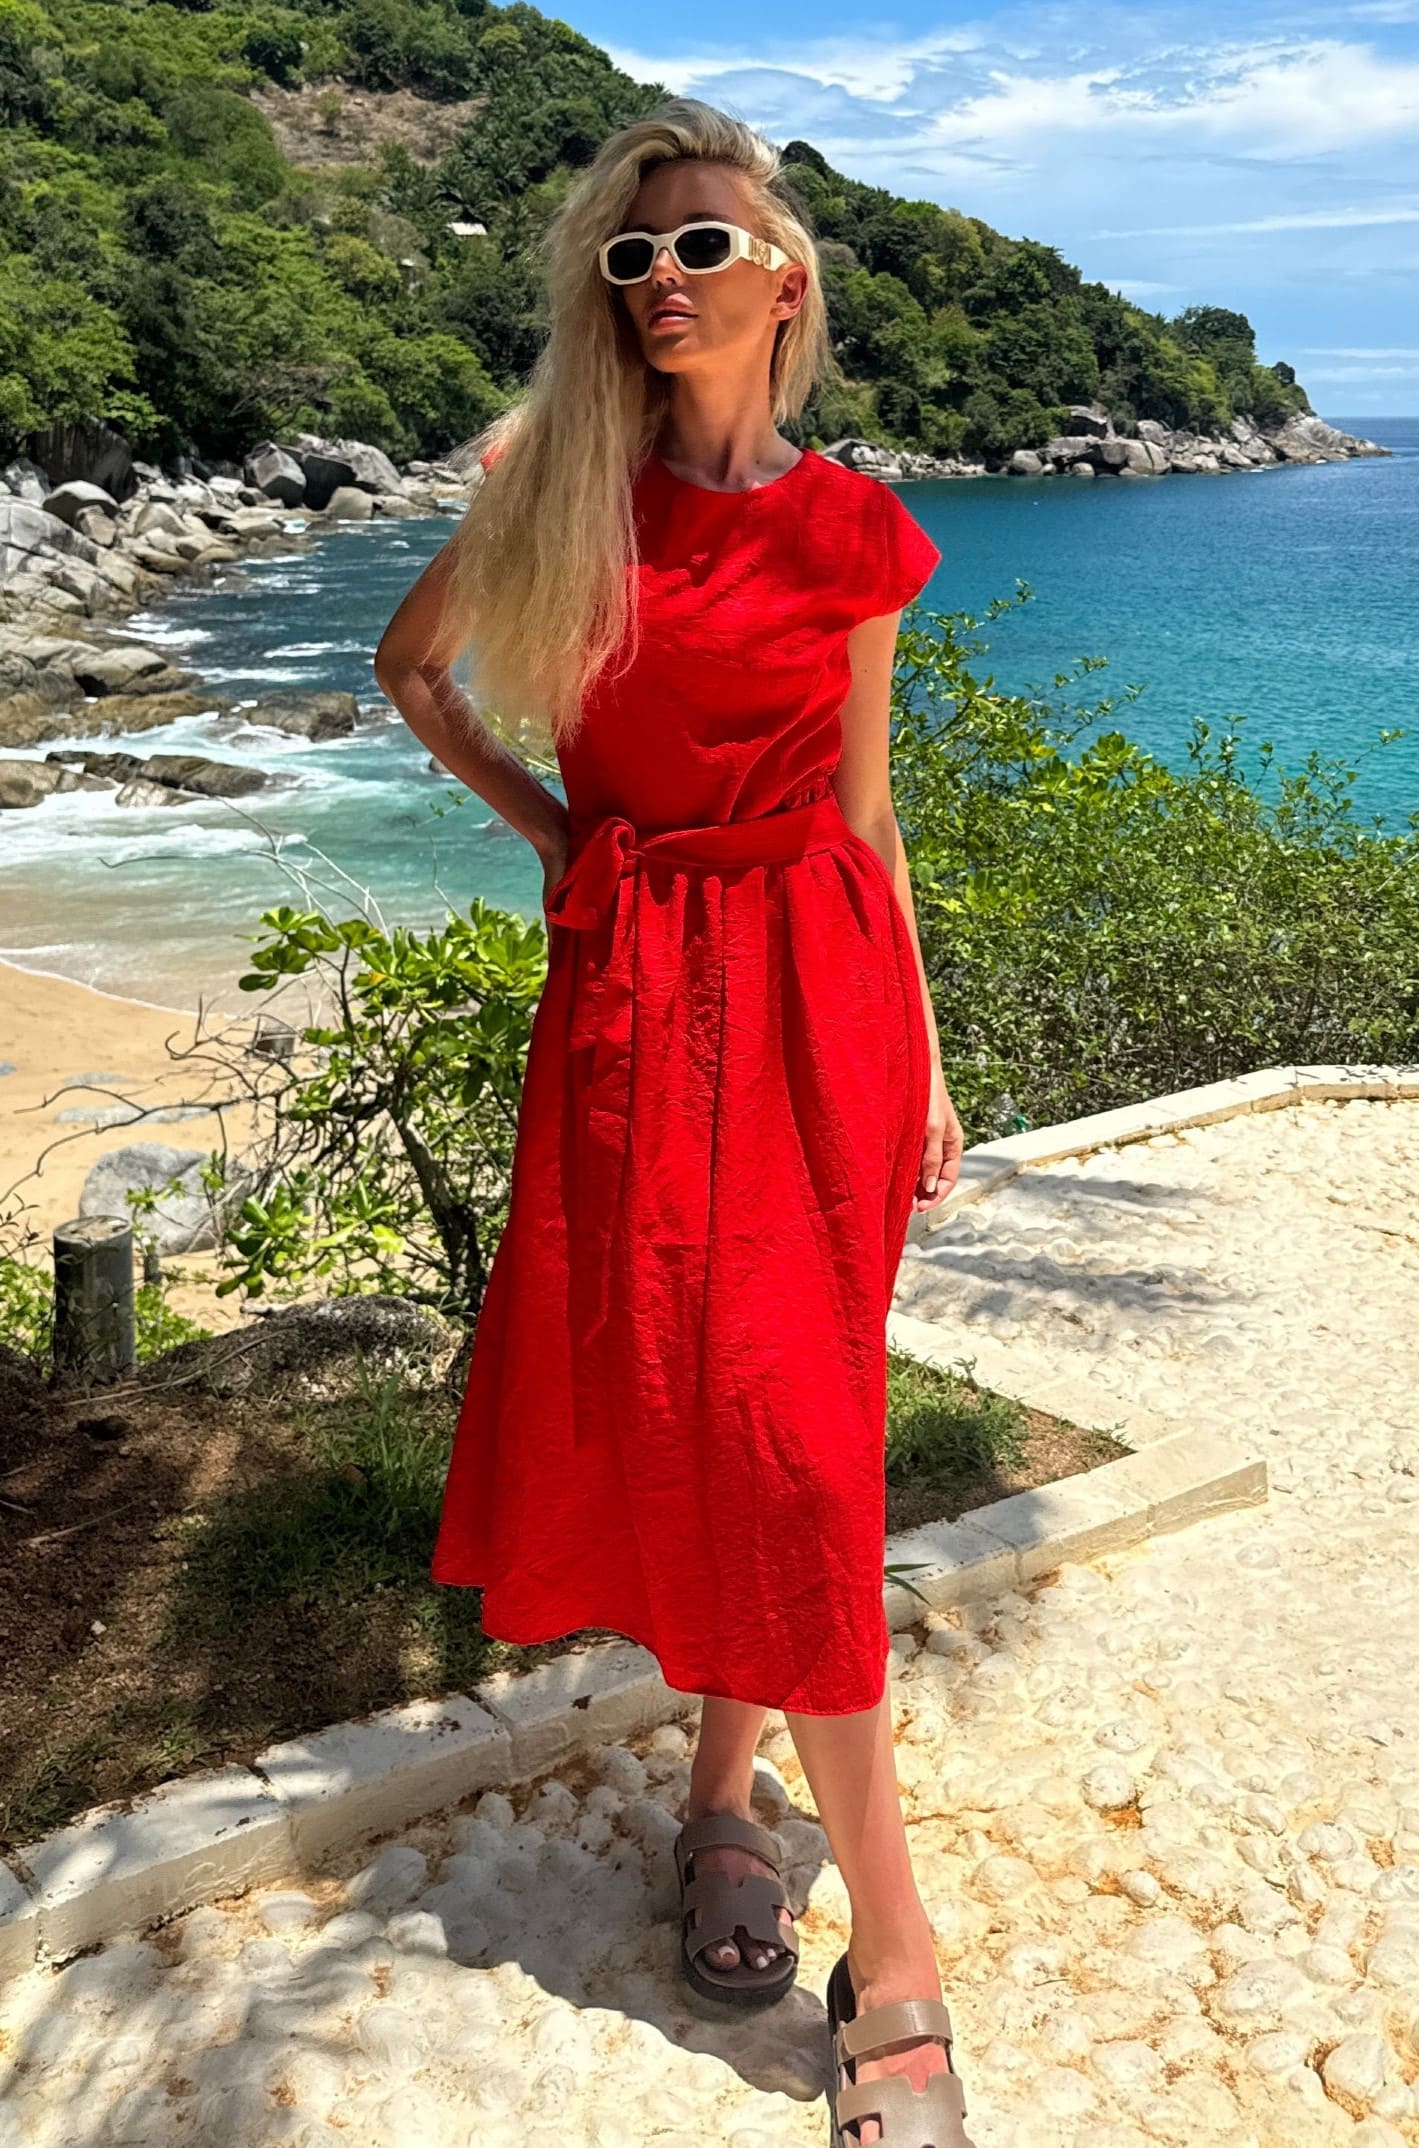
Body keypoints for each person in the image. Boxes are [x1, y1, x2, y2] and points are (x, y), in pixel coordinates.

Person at [374, 94, 971, 2148]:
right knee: (734, 1426)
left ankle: (760, 1822)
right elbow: (417, 671)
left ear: (781, 280)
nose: (660, 281)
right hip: (642, 997)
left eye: (700, 245)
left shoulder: (854, 531)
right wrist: (561, 834)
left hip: (820, 1001)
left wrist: (928, 1059)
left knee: (794, 1437)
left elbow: (866, 817)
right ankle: (873, 1930)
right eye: (629, 256)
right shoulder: (558, 486)